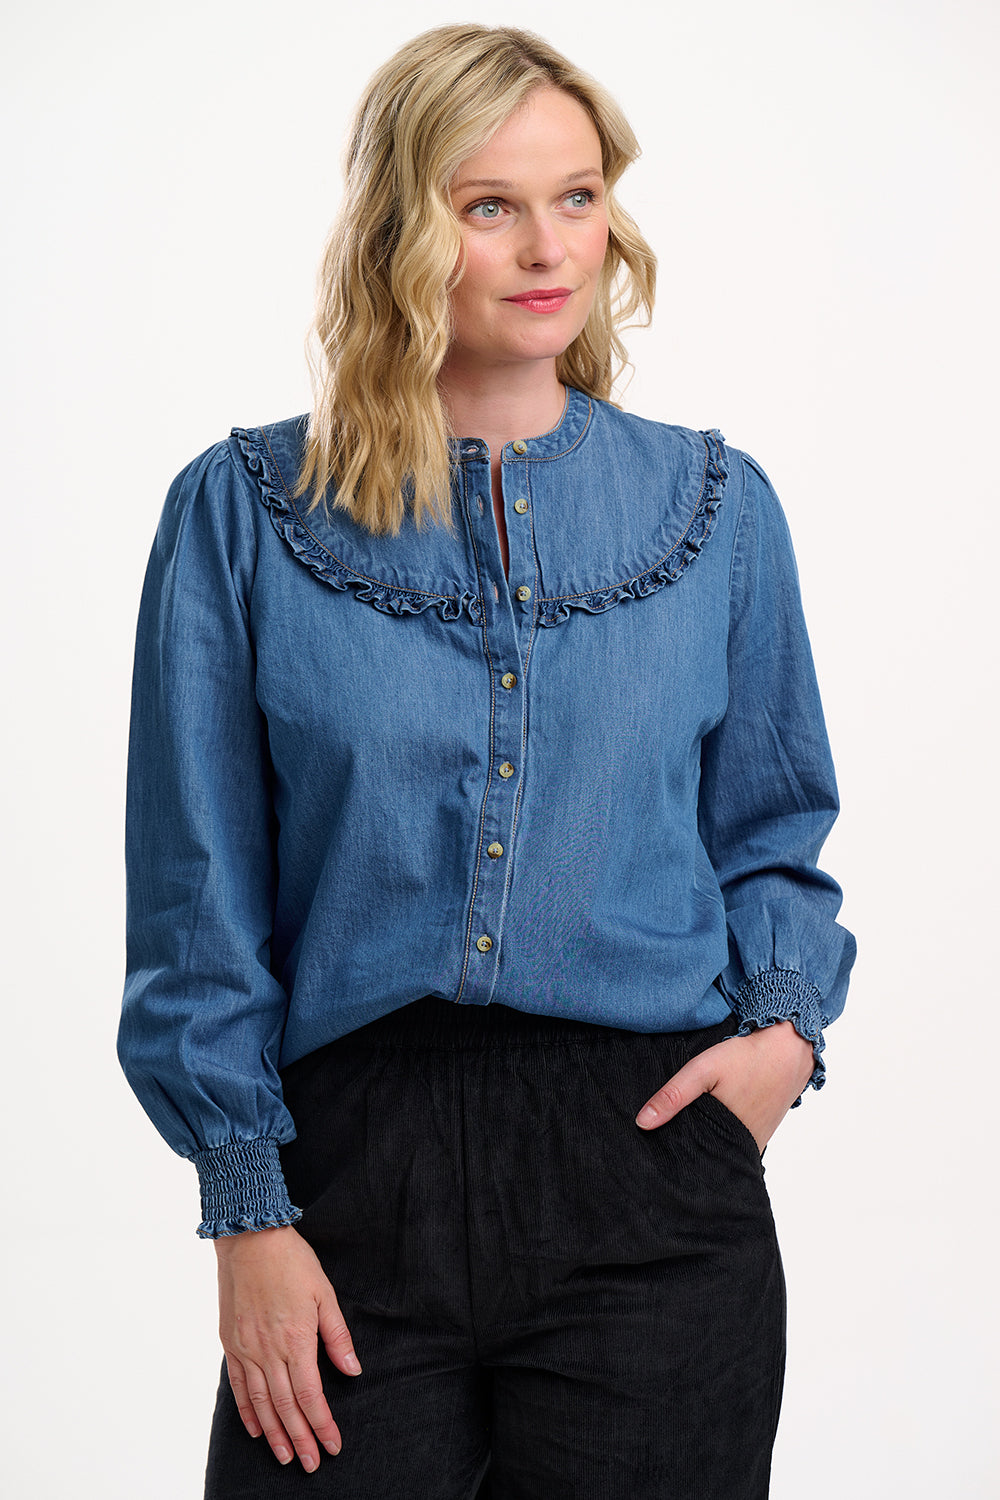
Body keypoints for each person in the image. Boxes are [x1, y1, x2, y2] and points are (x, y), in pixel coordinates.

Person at [119, 22, 856, 1499]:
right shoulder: (242, 512)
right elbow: (196, 896)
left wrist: (781, 1041)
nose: (548, 248)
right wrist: (247, 1215)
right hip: (349, 1184)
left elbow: (772, 829)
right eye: (489, 203)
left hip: (646, 1172)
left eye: (577, 198)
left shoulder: (715, 511)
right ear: (404, 225)